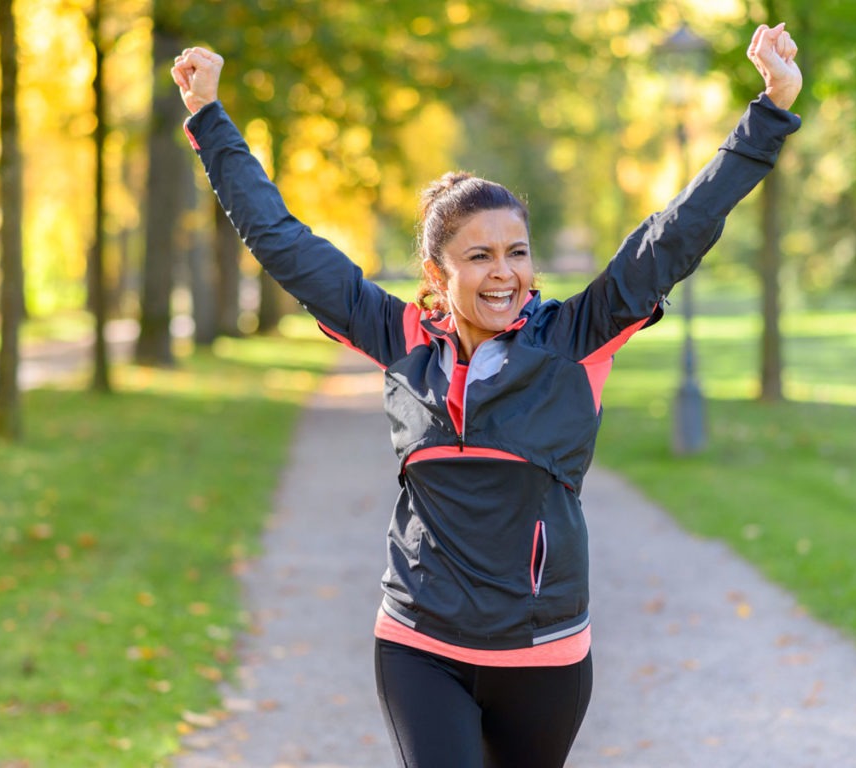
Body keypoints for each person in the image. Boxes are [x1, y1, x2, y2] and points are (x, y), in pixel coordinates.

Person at [171, 21, 802, 768]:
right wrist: (210, 118)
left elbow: (673, 235)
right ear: (438, 275)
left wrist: (769, 114)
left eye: (517, 253)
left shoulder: (576, 338)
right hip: (418, 641)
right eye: (480, 256)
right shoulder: (399, 335)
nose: (504, 274)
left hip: (543, 652)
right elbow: (281, 239)